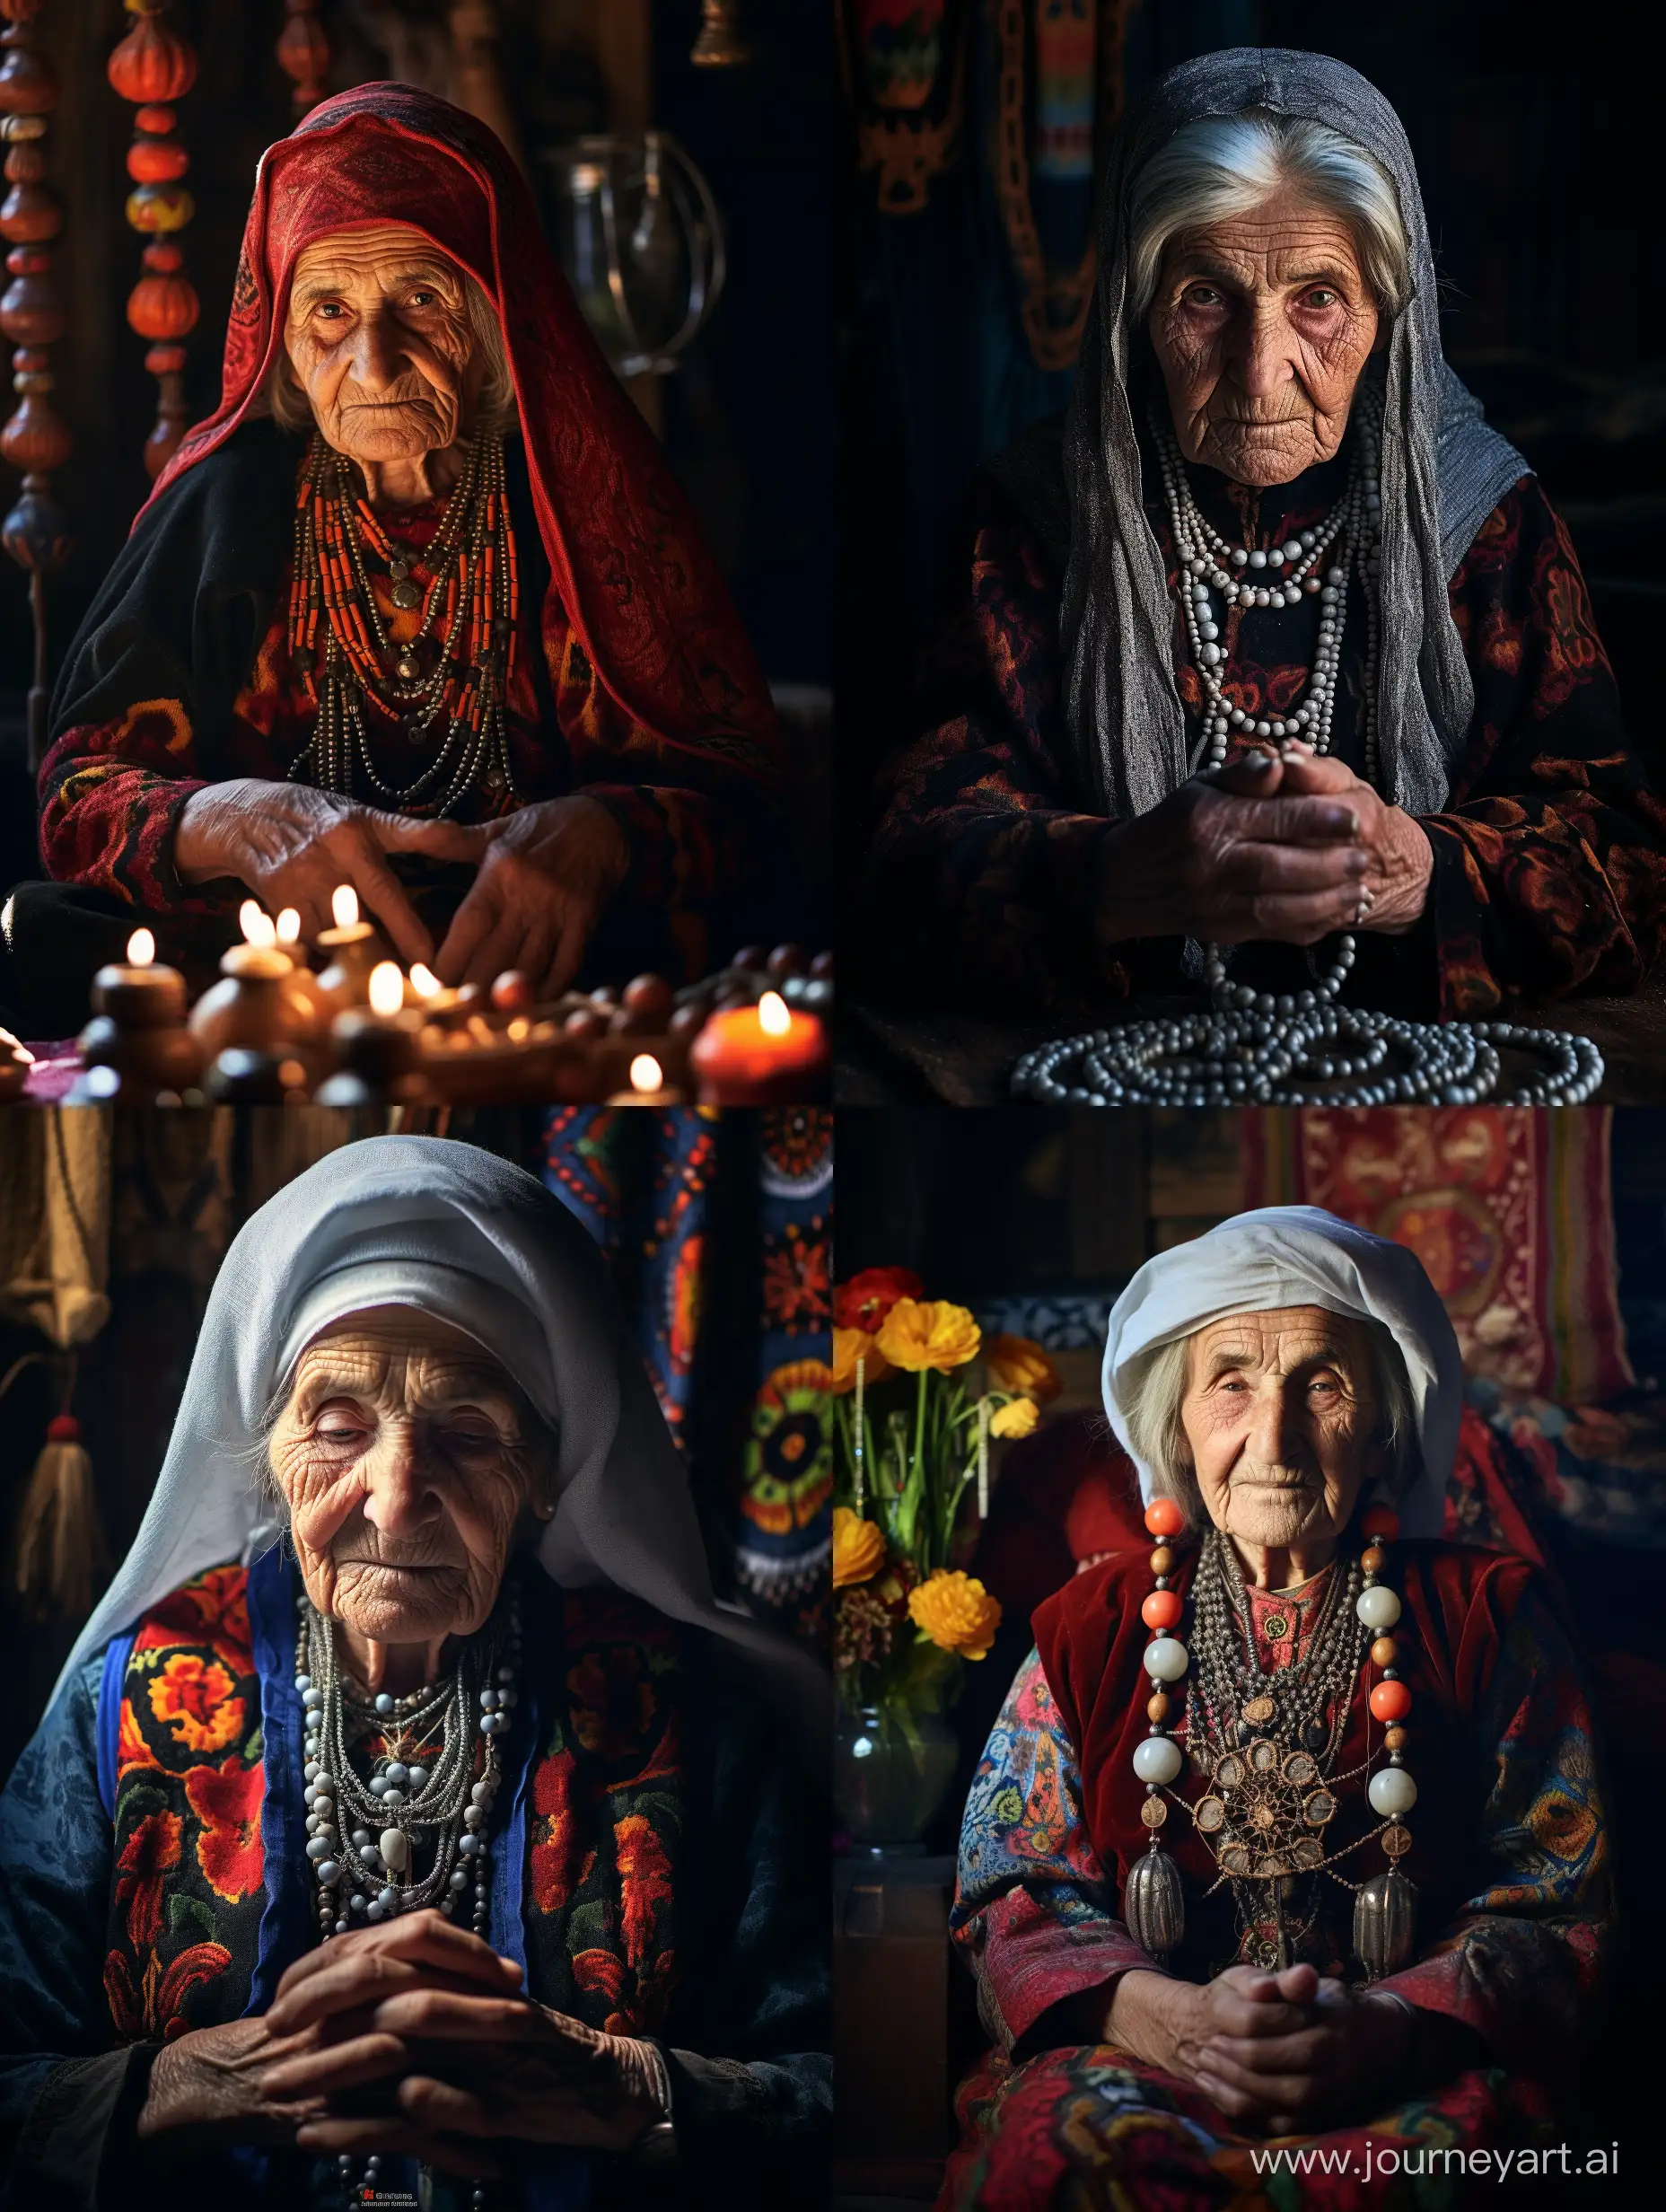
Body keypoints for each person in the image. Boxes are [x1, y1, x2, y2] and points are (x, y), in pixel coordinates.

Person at [0, 1137, 829, 2209]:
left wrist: (626, 2082)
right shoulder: (132, 1705)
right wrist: (187, 2081)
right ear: (270, 1458)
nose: (395, 1497)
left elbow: (844, 2077)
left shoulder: (679, 1711)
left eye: (468, 1434)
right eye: (337, 1427)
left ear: (545, 1471)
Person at [869, 49, 1666, 1021]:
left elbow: (1632, 867)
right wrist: (1119, 876)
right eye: (1203, 295)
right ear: (1134, 306)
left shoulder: (1485, 518)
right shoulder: (1039, 514)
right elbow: (903, 862)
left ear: (1386, 311)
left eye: (1317, 299)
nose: (1259, 371)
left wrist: (1416, 870)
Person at [14, 84, 791, 1032]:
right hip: (271, 969)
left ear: (494, 315)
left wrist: (602, 835)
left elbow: (745, 800)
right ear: (285, 346)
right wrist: (232, 819)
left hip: (526, 964)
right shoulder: (224, 507)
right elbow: (75, 799)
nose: (373, 364)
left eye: (420, 299)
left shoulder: (574, 499)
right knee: (55, 930)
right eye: (330, 310)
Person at [943, 1207, 1609, 2208]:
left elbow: (1559, 1898)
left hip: (1405, 2068)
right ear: (1175, 1422)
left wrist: (1387, 2027)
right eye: (1230, 1384)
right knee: (1066, 2163)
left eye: (1321, 1385)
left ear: (1381, 1422)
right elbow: (1009, 1887)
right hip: (1144, 2061)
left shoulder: (1484, 1616)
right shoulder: (1087, 1625)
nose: (1274, 1438)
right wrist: (1164, 2018)